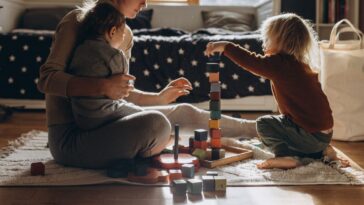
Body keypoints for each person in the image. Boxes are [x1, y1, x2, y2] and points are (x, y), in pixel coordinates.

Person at [38, 0, 257, 169]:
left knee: (184, 111)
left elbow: (121, 91)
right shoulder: (76, 20)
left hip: (109, 120)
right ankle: (148, 149)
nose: (145, 4)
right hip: (71, 138)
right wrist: (102, 87)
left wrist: (159, 98)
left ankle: (259, 129)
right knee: (155, 125)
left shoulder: (126, 34)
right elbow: (47, 79)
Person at [204, 13, 350, 169]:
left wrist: (226, 46)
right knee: (283, 123)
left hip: (310, 135)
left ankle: (287, 156)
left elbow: (252, 61)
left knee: (264, 124)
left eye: (267, 40)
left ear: (282, 41)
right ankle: (321, 152)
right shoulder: (300, 64)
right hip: (324, 135)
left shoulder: (280, 63)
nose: (263, 45)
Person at [68, 3, 143, 130]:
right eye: (123, 35)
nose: (123, 38)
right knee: (145, 115)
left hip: (80, 116)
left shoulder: (79, 49)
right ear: (112, 31)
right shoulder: (114, 54)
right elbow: (125, 85)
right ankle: (165, 140)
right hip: (104, 112)